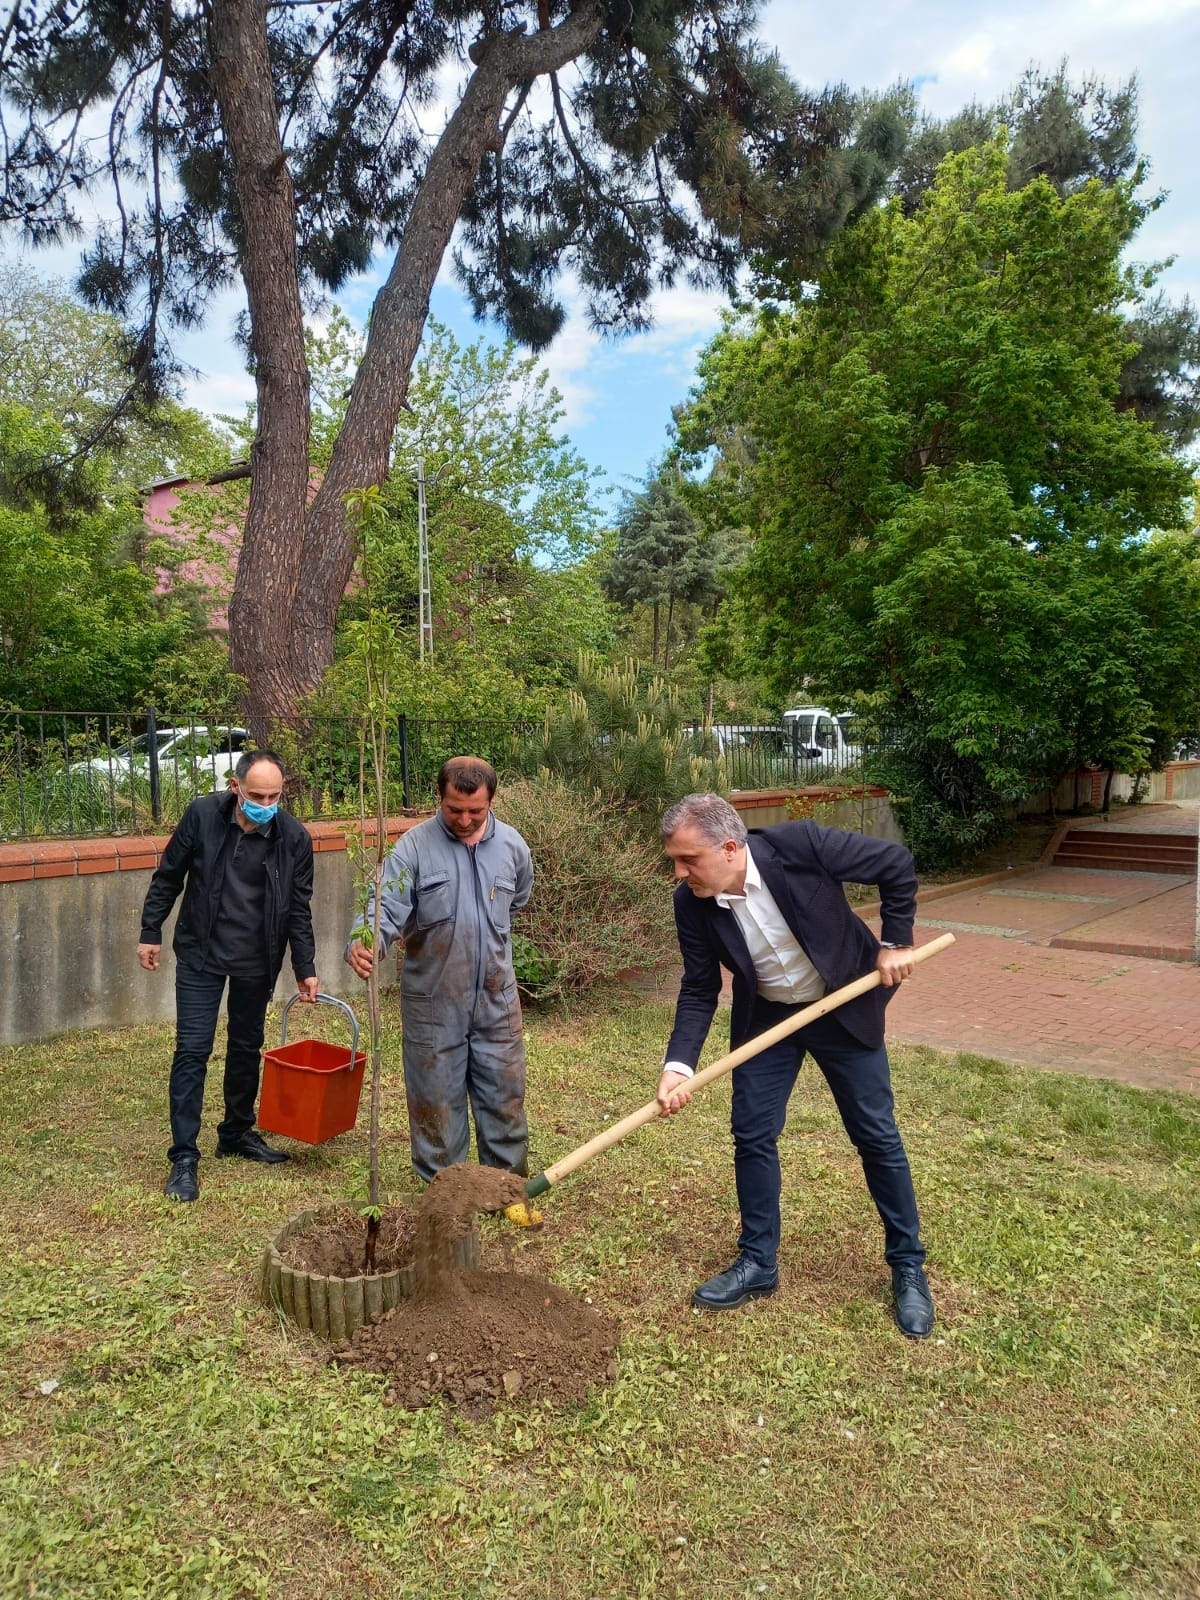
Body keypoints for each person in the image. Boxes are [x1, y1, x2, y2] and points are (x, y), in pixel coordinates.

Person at [656, 793, 934, 1339]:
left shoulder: (801, 845)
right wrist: (679, 1065)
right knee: (752, 1133)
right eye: (675, 860)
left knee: (876, 1136)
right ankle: (758, 1263)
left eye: (689, 859)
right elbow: (699, 987)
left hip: (843, 1007)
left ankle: (908, 1266)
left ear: (731, 847)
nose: (679, 871)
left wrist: (896, 941)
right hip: (768, 1021)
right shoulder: (690, 903)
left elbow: (895, 866)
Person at [137, 750, 319, 1203]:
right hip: (201, 952)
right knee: (193, 1049)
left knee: (245, 1046)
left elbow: (299, 908)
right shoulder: (202, 815)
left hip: (258, 958)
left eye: (275, 795)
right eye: (257, 794)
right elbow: (168, 877)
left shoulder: (294, 836)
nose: (266, 802)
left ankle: (236, 1132)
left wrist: (306, 967)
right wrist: (149, 931)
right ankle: (183, 1156)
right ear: (235, 787)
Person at [346, 756, 534, 1191]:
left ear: (491, 802)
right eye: (455, 810)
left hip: (497, 999)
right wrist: (365, 940)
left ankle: (506, 1189)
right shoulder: (412, 848)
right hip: (432, 1001)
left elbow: (519, 897)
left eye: (475, 811)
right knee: (436, 1102)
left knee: (504, 1097)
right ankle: (447, 1196)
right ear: (440, 798)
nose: (465, 820)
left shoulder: (512, 846)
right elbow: (383, 907)